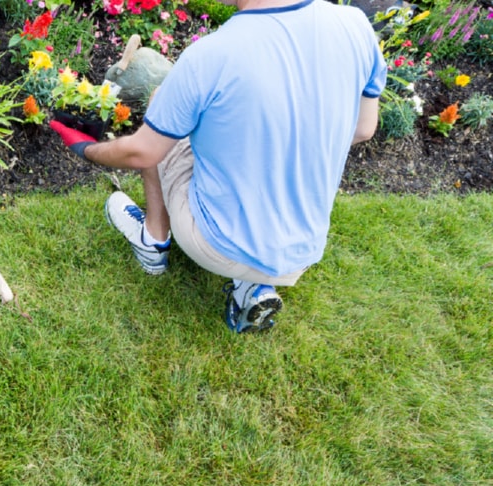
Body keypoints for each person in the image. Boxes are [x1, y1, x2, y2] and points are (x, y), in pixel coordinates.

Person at [50, 0, 386, 333]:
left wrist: (88, 149)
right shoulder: (355, 25)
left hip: (216, 244)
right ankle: (251, 286)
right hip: (301, 251)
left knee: (160, 104)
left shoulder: (213, 54)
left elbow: (142, 153)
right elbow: (362, 129)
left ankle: (152, 241)